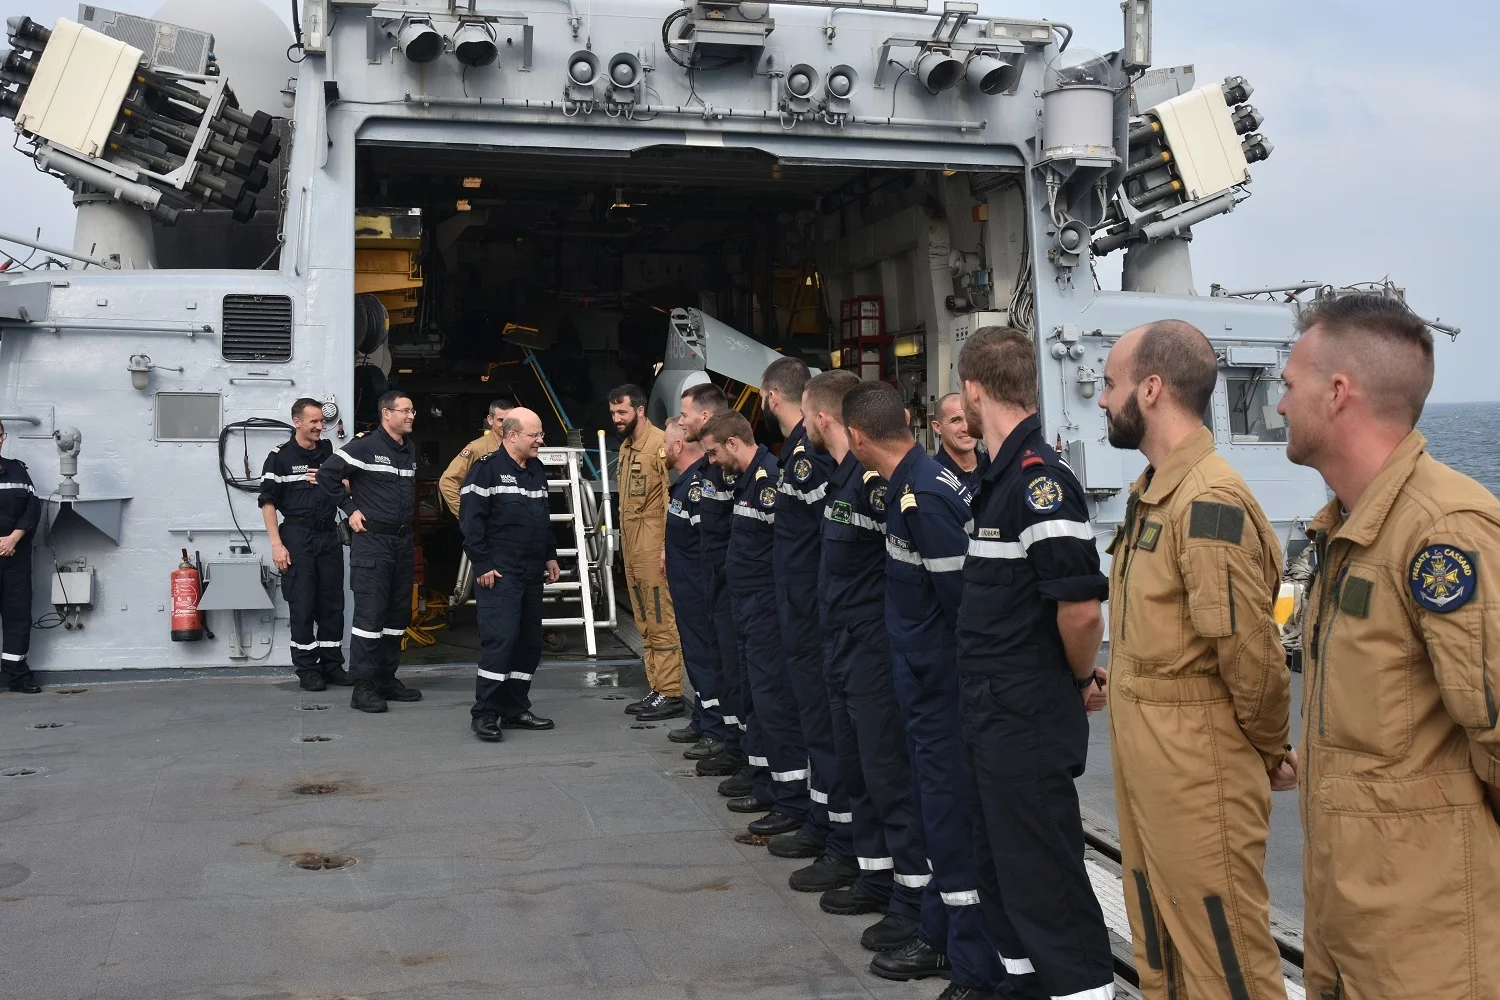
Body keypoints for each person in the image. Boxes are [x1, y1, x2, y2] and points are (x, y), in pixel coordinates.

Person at [1277, 293, 1500, 999]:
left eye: (1288, 385)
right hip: (1350, 934)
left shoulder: (1444, 532)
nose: (1278, 405)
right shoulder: (1346, 532)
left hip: (1428, 953)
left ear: (1338, 393)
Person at [1099, 320, 1292, 1000]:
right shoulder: (1153, 492)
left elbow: (1250, 656)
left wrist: (1268, 748)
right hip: (1150, 754)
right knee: (1161, 948)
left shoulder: (1208, 501)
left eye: (1110, 384)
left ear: (1151, 389)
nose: (1100, 399)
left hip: (1195, 766)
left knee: (1224, 957)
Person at [954, 327, 1114, 1000]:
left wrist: (1081, 678)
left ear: (972, 391)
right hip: (994, 714)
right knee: (1004, 872)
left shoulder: (1039, 483)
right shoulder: (995, 481)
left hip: (1025, 716)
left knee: (1044, 878)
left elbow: (1079, 611)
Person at [845, 380, 1003, 996]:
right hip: (922, 685)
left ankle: (971, 964)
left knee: (952, 825)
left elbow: (965, 606)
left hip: (943, 691)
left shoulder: (924, 499)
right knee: (938, 824)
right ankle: (942, 935)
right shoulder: (908, 487)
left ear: (858, 437)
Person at [803, 370, 927, 956]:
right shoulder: (849, 477)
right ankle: (876, 874)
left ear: (828, 419)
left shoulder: (878, 485)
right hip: (844, 641)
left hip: (874, 647)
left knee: (888, 774)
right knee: (859, 769)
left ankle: (912, 898)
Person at [760, 356, 856, 888]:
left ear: (771, 395)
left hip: (815, 610)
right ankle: (825, 822)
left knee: (823, 724)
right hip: (804, 606)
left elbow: (828, 534)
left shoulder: (803, 454)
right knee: (815, 722)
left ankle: (834, 833)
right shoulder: (798, 449)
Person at [698, 409, 808, 838]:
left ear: (732, 443)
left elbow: (784, 551)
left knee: (774, 705)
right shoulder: (743, 481)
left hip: (765, 612)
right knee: (755, 702)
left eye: (712, 453)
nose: (709, 462)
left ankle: (790, 798)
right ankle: (766, 785)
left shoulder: (767, 482)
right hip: (746, 609)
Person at [317, 390, 422, 713]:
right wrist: (350, 509)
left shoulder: (409, 450)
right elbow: (326, 474)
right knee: (370, 617)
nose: (411, 416)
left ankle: (385, 679)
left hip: (402, 543)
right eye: (405, 411)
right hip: (373, 544)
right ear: (386, 414)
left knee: (396, 617)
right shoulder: (365, 446)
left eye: (413, 410)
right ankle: (362, 687)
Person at [460, 407, 561, 740]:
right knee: (501, 642)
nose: (540, 441)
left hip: (532, 571)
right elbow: (470, 524)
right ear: (512, 435)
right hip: (500, 573)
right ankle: (485, 712)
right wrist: (483, 563)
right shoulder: (484, 471)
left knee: (528, 644)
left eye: (540, 434)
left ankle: (514, 707)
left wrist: (550, 557)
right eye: (535, 435)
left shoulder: (536, 471)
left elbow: (542, 520)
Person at [678, 383, 748, 782]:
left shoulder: (728, 472)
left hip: (730, 589)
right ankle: (724, 735)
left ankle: (727, 738)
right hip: (715, 585)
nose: (682, 420)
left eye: (686, 414)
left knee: (732, 672)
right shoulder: (708, 469)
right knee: (720, 666)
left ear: (706, 417)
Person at [259, 399, 350, 693]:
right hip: (297, 536)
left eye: (321, 422)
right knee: (302, 603)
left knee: (332, 603)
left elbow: (348, 483)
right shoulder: (279, 458)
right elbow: (268, 503)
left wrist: (329, 481)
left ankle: (332, 665)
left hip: (328, 535)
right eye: (313, 422)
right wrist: (277, 545)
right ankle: (308, 669)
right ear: (297, 422)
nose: (319, 426)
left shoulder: (327, 451)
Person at [610, 384, 686, 722]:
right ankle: (657, 687)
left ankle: (670, 692)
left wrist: (668, 548)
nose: (616, 418)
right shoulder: (627, 448)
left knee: (660, 620)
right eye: (613, 413)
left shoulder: (658, 446)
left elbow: (673, 499)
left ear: (640, 410)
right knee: (644, 622)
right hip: (633, 550)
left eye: (622, 412)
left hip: (653, 550)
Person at [662, 418, 732, 761]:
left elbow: (707, 541)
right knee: (695, 655)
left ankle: (716, 728)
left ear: (677, 446)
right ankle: (704, 718)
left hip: (699, 586)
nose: (663, 448)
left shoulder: (697, 484)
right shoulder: (686, 482)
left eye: (666, 441)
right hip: (686, 585)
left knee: (707, 657)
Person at [0, 421, 40, 694]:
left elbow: (32, 508)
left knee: (18, 616)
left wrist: (12, 539)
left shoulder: (17, 469)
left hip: (15, 556)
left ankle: (17, 676)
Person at [438, 397, 514, 517]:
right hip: (490, 524)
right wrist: (468, 516)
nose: (505, 425)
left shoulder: (521, 447)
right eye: (500, 420)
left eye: (509, 421)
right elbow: (447, 482)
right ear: (490, 420)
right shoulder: (476, 448)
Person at [931, 391, 988, 495]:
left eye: (971, 418)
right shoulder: (931, 476)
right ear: (937, 427)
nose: (966, 428)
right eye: (956, 420)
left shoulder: (994, 467)